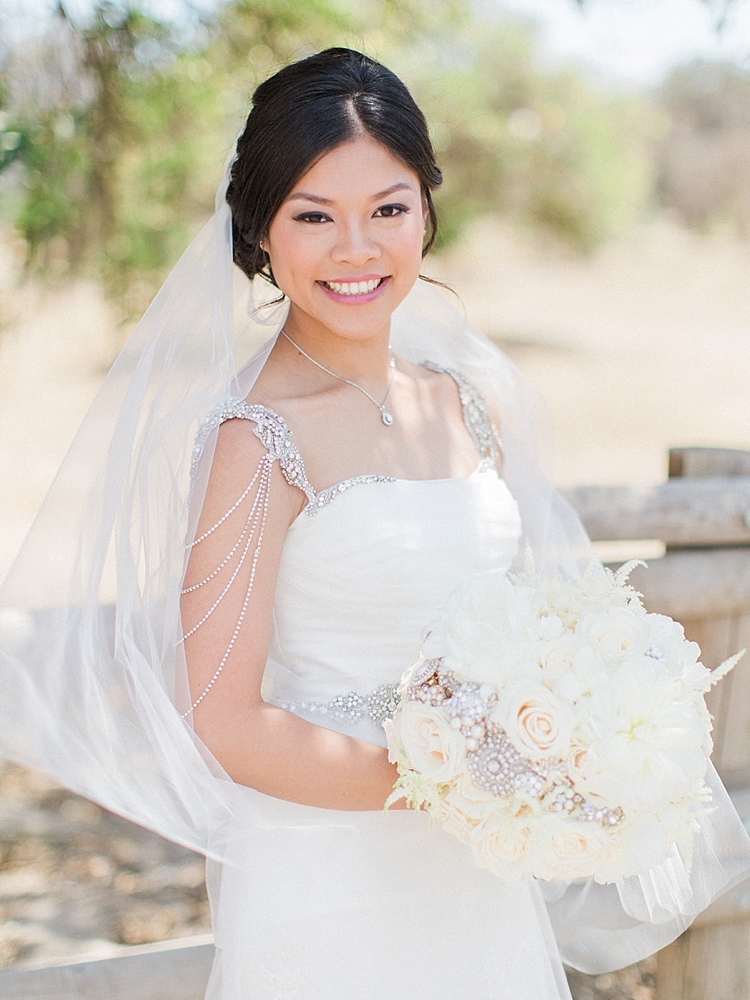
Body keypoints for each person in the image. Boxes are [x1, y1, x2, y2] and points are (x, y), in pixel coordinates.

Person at [2, 47, 750, 1000]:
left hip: (480, 875)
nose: (356, 249)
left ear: (427, 214)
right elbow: (223, 722)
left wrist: (571, 729)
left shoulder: (460, 401)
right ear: (261, 232)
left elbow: (530, 624)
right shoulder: (253, 439)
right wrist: (467, 778)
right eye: (314, 217)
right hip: (328, 883)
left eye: (387, 210)